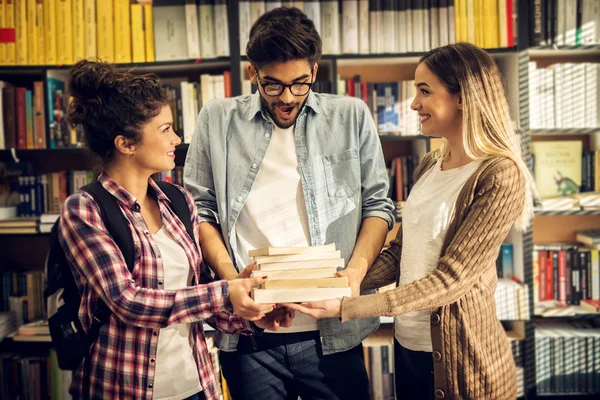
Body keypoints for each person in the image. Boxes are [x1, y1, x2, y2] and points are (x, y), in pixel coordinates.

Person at [287, 42, 535, 400]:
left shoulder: (499, 175)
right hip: (409, 348)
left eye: (424, 91)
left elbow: (452, 280)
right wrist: (339, 283)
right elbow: (399, 254)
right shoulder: (431, 164)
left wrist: (349, 307)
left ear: (463, 96)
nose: (414, 104)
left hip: (464, 363)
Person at [183, 7, 395, 400]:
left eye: (300, 84)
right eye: (272, 85)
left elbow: (378, 206)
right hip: (249, 334)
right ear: (252, 72)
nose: (287, 98)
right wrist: (232, 282)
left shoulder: (351, 115)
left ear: (314, 70)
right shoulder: (217, 118)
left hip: (333, 330)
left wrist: (355, 272)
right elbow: (200, 211)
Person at [59, 60, 289, 400]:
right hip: (122, 388)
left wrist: (251, 314)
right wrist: (228, 292)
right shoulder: (84, 210)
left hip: (196, 385)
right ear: (126, 144)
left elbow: (198, 293)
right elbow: (127, 302)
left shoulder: (179, 200)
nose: (177, 139)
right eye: (165, 129)